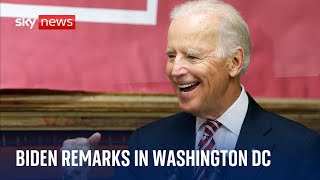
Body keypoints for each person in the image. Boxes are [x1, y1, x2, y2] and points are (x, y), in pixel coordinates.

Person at [62, 0, 320, 179]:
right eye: (172, 55)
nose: (175, 70)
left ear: (234, 62)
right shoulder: (147, 143)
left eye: (192, 57)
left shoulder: (300, 149)